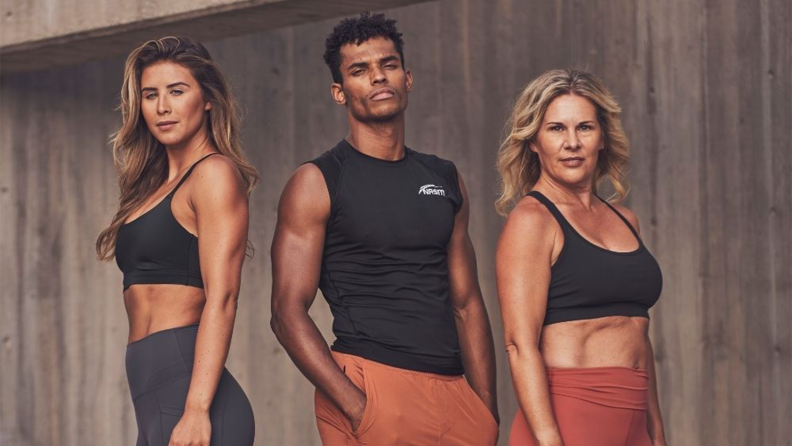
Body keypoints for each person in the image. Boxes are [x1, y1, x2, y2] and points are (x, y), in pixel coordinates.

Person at [270, 12, 499, 446]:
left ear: (407, 78)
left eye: (388, 65)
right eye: (360, 70)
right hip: (371, 384)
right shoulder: (317, 182)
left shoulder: (445, 177)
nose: (378, 77)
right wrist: (357, 406)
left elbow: (467, 303)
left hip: (456, 393)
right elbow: (286, 311)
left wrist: (486, 408)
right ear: (340, 92)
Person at [96, 36, 257, 446]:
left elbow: (223, 297)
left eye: (177, 91)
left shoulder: (214, 174)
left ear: (206, 99)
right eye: (150, 95)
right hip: (153, 397)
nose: (162, 107)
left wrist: (198, 410)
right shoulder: (150, 186)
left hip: (191, 399)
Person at [495, 69, 667, 446]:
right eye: (556, 129)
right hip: (570, 417)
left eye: (584, 128)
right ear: (534, 142)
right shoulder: (532, 221)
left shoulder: (626, 219)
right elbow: (519, 344)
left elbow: (638, 332)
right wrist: (550, 441)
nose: (572, 142)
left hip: (634, 419)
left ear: (602, 137)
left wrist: (657, 432)